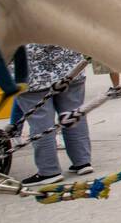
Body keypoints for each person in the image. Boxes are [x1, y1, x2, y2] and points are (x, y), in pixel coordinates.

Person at [15, 44, 93, 186]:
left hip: (31, 73)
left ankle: (49, 171)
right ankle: (82, 162)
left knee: (40, 121)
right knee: (74, 114)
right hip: (69, 65)